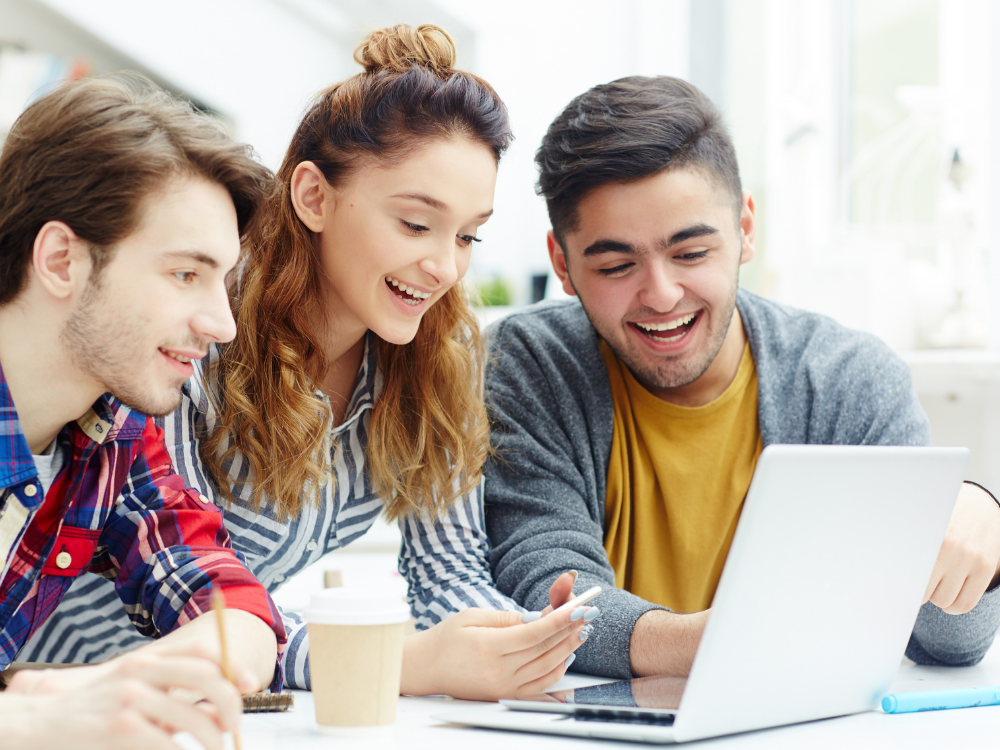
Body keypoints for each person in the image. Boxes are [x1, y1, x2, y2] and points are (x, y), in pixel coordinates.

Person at [24, 25, 595, 702]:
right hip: (65, 684)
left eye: (468, 235)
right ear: (313, 197)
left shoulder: (437, 355)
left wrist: (514, 643)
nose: (445, 266)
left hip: (212, 695)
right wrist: (400, 661)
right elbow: (169, 601)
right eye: (416, 224)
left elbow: (441, 576)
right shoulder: (191, 333)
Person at [482, 76, 1000, 680]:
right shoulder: (531, 365)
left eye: (692, 253)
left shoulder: (847, 378)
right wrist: (723, 643)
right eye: (617, 264)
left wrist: (979, 534)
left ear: (746, 230)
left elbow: (947, 643)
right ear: (562, 264)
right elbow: (542, 589)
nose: (661, 294)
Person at [0, 76, 287, 748]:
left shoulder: (110, 437)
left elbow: (236, 613)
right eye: (187, 273)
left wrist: (109, 690)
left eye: (224, 280)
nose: (223, 324)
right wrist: (33, 719)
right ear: (61, 260)